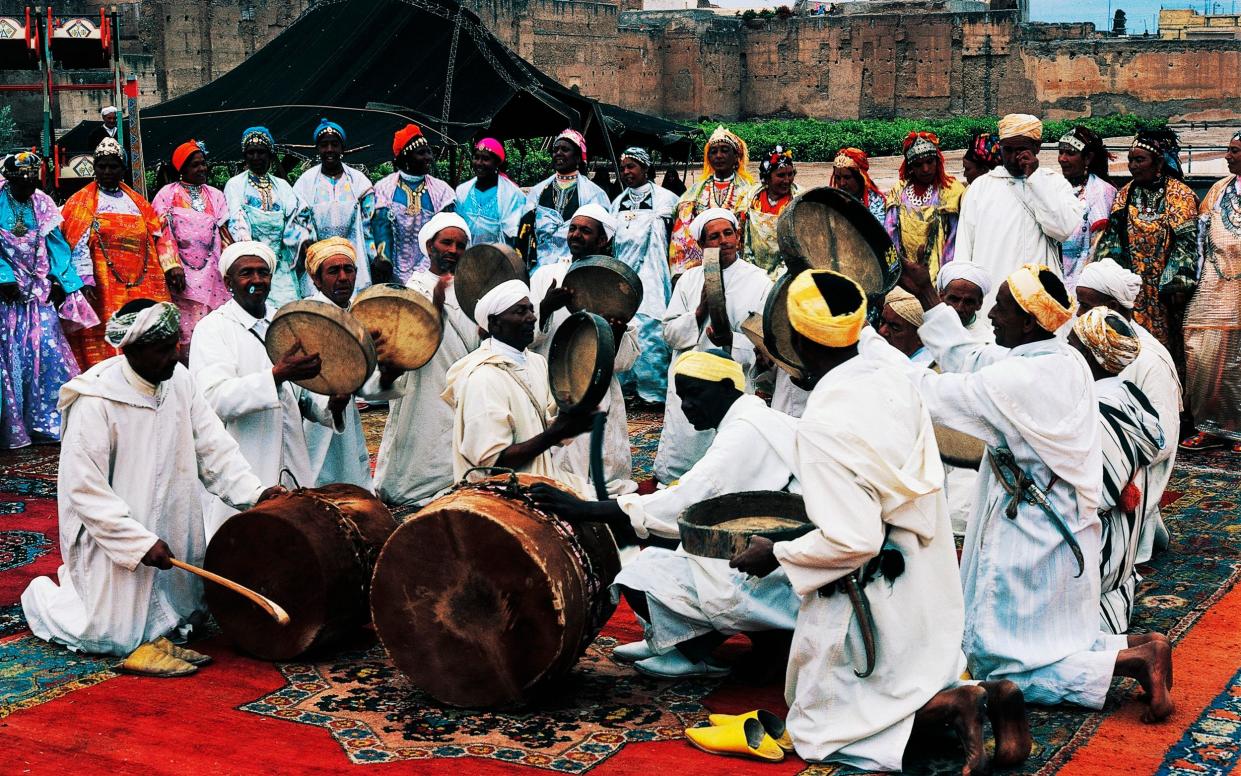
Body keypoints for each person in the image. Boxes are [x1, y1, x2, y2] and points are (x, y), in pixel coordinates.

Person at [730, 269, 1030, 774]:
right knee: (906, 670)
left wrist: (777, 553)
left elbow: (854, 539)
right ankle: (983, 693)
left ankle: (953, 709)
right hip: (924, 571)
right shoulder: (889, 371)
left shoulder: (825, 422)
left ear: (798, 341)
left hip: (870, 583)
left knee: (821, 725)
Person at [898, 259, 1175, 722]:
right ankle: (1140, 646)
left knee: (1005, 664)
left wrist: (863, 360)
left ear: (1028, 321)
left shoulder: (1028, 377)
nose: (989, 315)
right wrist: (928, 294)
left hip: (1032, 537)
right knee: (1054, 639)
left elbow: (940, 395)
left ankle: (1131, 661)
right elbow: (974, 358)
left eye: (1001, 308)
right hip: (1058, 530)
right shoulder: (1056, 357)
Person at [21, 301, 281, 674]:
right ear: (130, 349)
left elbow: (213, 447)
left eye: (175, 345)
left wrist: (254, 493)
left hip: (173, 516)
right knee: (113, 632)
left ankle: (159, 635)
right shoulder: (95, 400)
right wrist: (137, 542)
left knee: (182, 613)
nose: (172, 357)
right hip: (111, 536)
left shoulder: (180, 381)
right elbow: (84, 490)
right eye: (161, 350)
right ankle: (43, 600)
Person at [531, 351, 801, 680]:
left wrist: (586, 509)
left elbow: (687, 500)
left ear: (728, 386)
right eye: (682, 397)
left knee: (639, 571)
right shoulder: (752, 418)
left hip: (781, 567)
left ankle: (692, 653)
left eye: (695, 395)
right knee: (662, 546)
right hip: (779, 549)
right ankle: (667, 640)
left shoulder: (745, 431)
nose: (687, 407)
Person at [189, 242, 326, 538]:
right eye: (246, 274)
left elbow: (301, 396)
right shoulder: (213, 329)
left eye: (263, 273)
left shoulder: (284, 320)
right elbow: (214, 399)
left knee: (299, 539)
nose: (256, 280)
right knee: (245, 541)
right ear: (228, 282)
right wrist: (275, 376)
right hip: (244, 459)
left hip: (293, 453)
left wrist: (333, 401)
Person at [370, 212, 480, 506]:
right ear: (430, 246)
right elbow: (405, 346)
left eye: (460, 245)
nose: (453, 251)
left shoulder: (473, 291)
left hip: (464, 389)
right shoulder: (411, 290)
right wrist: (433, 309)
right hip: (423, 389)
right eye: (447, 243)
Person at [654, 208, 772, 484]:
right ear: (702, 245)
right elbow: (669, 333)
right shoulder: (688, 281)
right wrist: (699, 312)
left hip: (732, 380)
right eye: (714, 237)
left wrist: (732, 341)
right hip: (689, 383)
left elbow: (765, 341)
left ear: (738, 237)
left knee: (730, 458)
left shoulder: (759, 281)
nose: (723, 241)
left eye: (728, 233)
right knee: (685, 450)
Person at [530, 203, 641, 495]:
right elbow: (525, 337)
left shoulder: (617, 282)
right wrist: (546, 308)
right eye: (573, 228)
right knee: (559, 455)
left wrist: (615, 333)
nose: (576, 235)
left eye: (585, 230)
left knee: (603, 463)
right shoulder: (547, 276)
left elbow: (626, 360)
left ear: (603, 239)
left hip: (599, 386)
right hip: (557, 381)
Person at [1077, 259, 1181, 561]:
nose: (1078, 314)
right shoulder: (1088, 339)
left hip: (1129, 470)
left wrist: (1107, 446)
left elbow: (1162, 440)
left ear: (1111, 305)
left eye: (1085, 306)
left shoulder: (1149, 360)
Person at [441, 279, 593, 486]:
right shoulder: (483, 378)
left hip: (540, 479)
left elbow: (541, 424)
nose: (531, 317)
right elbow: (492, 464)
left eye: (531, 309)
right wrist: (555, 433)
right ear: (495, 323)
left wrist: (571, 419)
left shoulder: (536, 363)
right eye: (520, 312)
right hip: (501, 493)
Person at [1067, 308, 1163, 634]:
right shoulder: (1124, 395)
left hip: (1102, 562)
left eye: (1071, 346)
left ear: (1088, 354)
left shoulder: (1102, 410)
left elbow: (1093, 500)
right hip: (1117, 558)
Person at [0, 152, 93, 449]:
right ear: (10, 178)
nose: (29, 184)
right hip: (6, 296)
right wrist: (3, 277)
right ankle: (15, 427)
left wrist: (60, 281)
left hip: (38, 291)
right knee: (11, 356)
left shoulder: (43, 202)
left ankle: (50, 423)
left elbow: (57, 246)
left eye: (33, 178)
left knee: (49, 352)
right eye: (22, 179)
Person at [62, 138, 179, 370]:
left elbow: (158, 235)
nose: (107, 171)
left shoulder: (138, 202)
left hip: (142, 282)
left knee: (145, 332)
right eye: (102, 166)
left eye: (113, 166)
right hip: (102, 286)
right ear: (94, 168)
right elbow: (76, 242)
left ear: (123, 169)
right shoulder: (80, 202)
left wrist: (171, 265)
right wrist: (85, 279)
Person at [955, 114, 1084, 308]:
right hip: (992, 297)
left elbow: (1062, 229)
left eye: (1022, 149)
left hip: (1040, 295)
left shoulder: (1054, 183)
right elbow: (964, 250)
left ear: (1037, 148)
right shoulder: (980, 188)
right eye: (1008, 150)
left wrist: (1035, 180)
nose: (1015, 157)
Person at [1094, 128, 1199, 353]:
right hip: (1132, 290)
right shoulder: (1124, 195)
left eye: (1140, 160)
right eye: (1131, 160)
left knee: (1170, 348)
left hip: (1166, 293)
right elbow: (1112, 240)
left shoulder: (1180, 195)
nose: (1133, 166)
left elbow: (1186, 243)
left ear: (1158, 163)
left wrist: (1177, 283)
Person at [299, 238, 383, 489]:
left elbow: (368, 381)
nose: (344, 277)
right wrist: (328, 404)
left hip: (344, 413)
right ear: (316, 279)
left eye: (349, 270)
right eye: (333, 271)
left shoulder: (355, 314)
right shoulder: (306, 317)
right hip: (313, 419)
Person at [1181, 130, 1241, 452]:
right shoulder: (1219, 190)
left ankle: (1238, 428)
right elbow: (1200, 240)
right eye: (1228, 150)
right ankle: (1208, 426)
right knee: (1202, 352)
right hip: (1214, 283)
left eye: (1234, 151)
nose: (1228, 157)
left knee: (1237, 360)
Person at [610, 146, 678, 407]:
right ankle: (628, 388)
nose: (627, 172)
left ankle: (655, 392)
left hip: (653, 272)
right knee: (626, 327)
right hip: (624, 274)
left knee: (651, 328)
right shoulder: (618, 203)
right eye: (624, 167)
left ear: (645, 168)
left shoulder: (666, 200)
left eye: (632, 166)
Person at [151, 139, 233, 352]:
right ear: (182, 169)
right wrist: (171, 266)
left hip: (214, 274)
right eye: (195, 165)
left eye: (203, 163)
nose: (202, 168)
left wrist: (231, 266)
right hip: (181, 275)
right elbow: (162, 234)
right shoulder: (167, 194)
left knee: (217, 329)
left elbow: (224, 234)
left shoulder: (216, 195)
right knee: (187, 334)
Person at [224, 127, 314, 310]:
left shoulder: (282, 186)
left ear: (270, 154)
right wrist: (255, 258)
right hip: (252, 263)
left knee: (289, 311)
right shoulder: (235, 185)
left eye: (261, 152)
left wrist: (303, 242)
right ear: (245, 156)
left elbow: (297, 217)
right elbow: (237, 222)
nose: (256, 157)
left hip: (282, 263)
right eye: (251, 152)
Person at [293, 118, 378, 297]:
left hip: (354, 261)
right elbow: (298, 222)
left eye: (335, 144)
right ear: (318, 148)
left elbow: (369, 226)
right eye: (324, 145)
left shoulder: (359, 182)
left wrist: (375, 258)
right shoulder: (305, 183)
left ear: (343, 148)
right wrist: (309, 247)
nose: (330, 150)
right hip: (319, 260)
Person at [372, 124, 455, 284]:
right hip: (391, 273)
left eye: (429, 152)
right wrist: (384, 260)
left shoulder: (442, 191)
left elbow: (446, 234)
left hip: (432, 273)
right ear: (405, 158)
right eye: (421, 153)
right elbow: (381, 228)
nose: (429, 158)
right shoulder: (383, 188)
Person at [669, 126, 754, 275]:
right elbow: (682, 235)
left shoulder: (751, 193)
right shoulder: (693, 195)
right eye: (713, 152)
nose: (719, 155)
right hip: (703, 266)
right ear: (708, 158)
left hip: (740, 267)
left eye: (725, 150)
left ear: (736, 156)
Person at [884, 131, 965, 282]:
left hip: (940, 272)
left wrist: (947, 278)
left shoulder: (951, 190)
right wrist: (895, 271)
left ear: (937, 161)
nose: (926, 169)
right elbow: (890, 232)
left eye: (930, 162)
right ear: (910, 166)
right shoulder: (899, 190)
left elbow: (954, 239)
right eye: (918, 164)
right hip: (904, 272)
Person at [523, 129, 608, 270]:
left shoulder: (594, 194)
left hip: (577, 269)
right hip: (538, 269)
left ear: (578, 157)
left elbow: (600, 237)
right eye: (555, 149)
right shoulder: (538, 191)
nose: (558, 153)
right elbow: (526, 232)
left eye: (565, 149)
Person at [1057, 126, 1117, 293]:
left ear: (1088, 158)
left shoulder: (1101, 191)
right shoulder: (1056, 187)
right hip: (1056, 275)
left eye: (1070, 153)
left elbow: (1099, 247)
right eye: (1060, 152)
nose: (1062, 159)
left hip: (1083, 282)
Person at [455, 138, 525, 247]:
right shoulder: (462, 191)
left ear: (497, 163)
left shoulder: (512, 194)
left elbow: (515, 233)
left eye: (485, 159)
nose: (479, 163)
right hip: (466, 258)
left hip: (500, 257)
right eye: (476, 157)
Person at [743, 145, 799, 274]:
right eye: (781, 175)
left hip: (786, 270)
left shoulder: (798, 200)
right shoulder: (750, 197)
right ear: (767, 177)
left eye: (790, 174)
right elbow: (744, 236)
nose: (787, 180)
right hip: (752, 268)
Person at [935, 260, 994, 343]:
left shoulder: (989, 340)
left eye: (969, 302)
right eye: (954, 299)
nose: (959, 308)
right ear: (941, 296)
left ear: (979, 303)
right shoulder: (923, 330)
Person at [830, 147, 885, 223]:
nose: (842, 183)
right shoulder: (833, 200)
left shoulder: (875, 202)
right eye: (838, 178)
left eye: (847, 177)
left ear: (860, 178)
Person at [878, 287, 930, 365]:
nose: (882, 331)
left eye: (895, 327)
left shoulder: (923, 368)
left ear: (921, 337)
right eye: (882, 322)